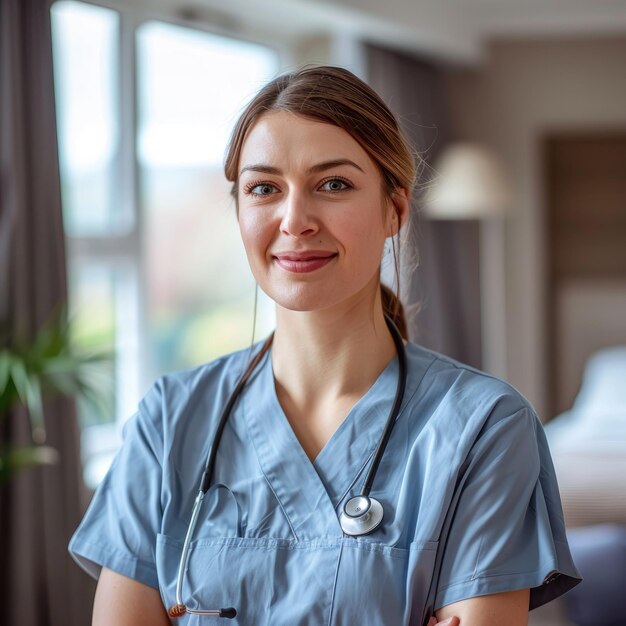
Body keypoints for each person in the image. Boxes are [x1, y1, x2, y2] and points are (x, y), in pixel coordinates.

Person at [69, 65, 581, 625]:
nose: (295, 220)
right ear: (239, 210)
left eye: (333, 184)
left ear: (395, 210)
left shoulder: (484, 428)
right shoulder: (168, 422)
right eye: (264, 188)